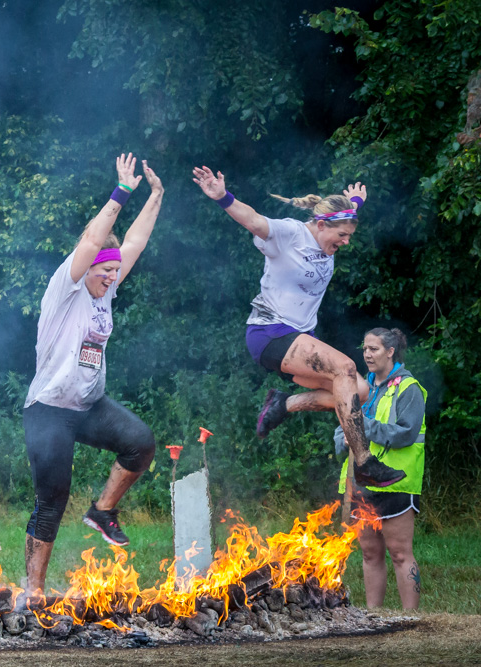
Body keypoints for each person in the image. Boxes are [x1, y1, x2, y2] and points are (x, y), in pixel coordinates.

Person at [191, 165, 404, 489]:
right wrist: (223, 197)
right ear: (321, 225)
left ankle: (282, 404)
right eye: (342, 236)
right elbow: (254, 220)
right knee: (345, 368)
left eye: (349, 235)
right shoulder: (291, 233)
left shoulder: (330, 226)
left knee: (359, 392)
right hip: (270, 331)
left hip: (300, 337)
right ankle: (364, 462)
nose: (346, 242)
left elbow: (341, 215)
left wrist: (355, 204)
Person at [23, 154, 161, 596]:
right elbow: (91, 241)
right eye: (105, 271)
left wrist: (156, 195)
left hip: (87, 406)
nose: (112, 278)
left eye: (115, 272)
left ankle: (102, 511)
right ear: (88, 268)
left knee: (140, 442)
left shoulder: (106, 289)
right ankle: (34, 590)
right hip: (49, 409)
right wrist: (122, 193)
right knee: (52, 499)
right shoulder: (66, 287)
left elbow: (134, 242)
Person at [336, 328, 425, 610]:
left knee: (400, 553)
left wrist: (362, 427)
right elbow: (343, 426)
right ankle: (374, 616)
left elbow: (406, 434)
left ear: (390, 351)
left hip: (396, 481)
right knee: (369, 553)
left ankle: (411, 619)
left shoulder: (408, 388)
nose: (367, 354)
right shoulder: (361, 389)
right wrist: (343, 437)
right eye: (364, 349)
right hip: (362, 482)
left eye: (373, 349)